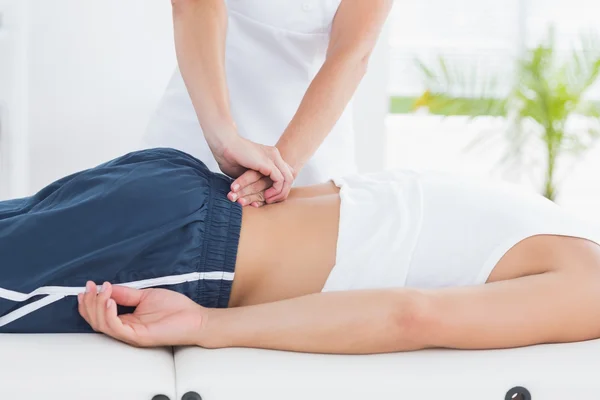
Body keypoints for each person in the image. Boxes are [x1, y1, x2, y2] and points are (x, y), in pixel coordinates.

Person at [1, 148, 600, 354]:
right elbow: (414, 315)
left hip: (174, 186)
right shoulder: (590, 285)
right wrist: (209, 325)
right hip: (193, 247)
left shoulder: (557, 220)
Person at [143, 0, 392, 207]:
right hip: (200, 125)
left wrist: (281, 170)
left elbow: (352, 52)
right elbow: (195, 5)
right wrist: (223, 137)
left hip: (309, 150)